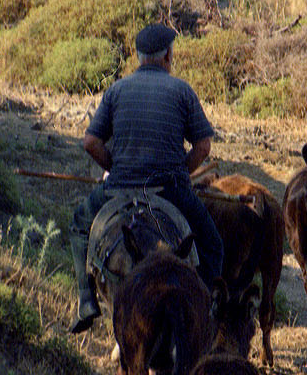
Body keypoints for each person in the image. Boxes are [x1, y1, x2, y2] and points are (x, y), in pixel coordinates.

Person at [69, 22, 225, 333]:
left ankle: (87, 301)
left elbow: (90, 142)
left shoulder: (116, 90)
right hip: (169, 190)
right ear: (168, 55)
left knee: (79, 225)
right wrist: (182, 170)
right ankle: (203, 312)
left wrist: (115, 167)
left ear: (139, 57)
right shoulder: (182, 90)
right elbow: (204, 146)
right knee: (213, 246)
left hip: (119, 190)